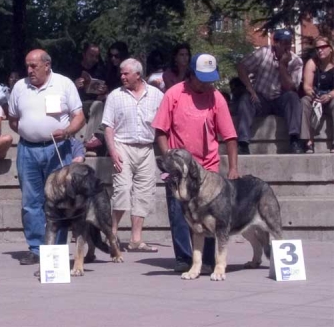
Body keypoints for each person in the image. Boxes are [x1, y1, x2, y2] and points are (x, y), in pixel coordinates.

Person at [152, 53, 239, 272]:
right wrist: (169, 158)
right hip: (180, 166)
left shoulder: (216, 97)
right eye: (202, 78)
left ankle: (208, 261)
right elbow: (161, 131)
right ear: (191, 74)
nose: (206, 83)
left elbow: (229, 136)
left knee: (210, 214)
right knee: (178, 212)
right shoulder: (173, 94)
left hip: (208, 167)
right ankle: (183, 258)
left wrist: (234, 168)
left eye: (210, 79)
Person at [8, 49, 85, 265]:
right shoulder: (19, 87)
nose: (29, 70)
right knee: (30, 201)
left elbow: (79, 116)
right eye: (27, 66)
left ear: (47, 65)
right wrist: (30, 131)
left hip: (58, 148)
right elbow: (13, 119)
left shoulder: (64, 84)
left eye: (34, 66)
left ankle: (57, 249)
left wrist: (68, 131)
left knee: (59, 200)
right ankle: (36, 248)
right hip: (28, 150)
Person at [102, 58, 162, 252]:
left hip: (146, 148)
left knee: (144, 193)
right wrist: (113, 151)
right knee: (122, 190)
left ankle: (136, 239)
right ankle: (111, 233)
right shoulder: (114, 96)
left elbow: (163, 123)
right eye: (121, 73)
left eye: (126, 73)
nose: (122, 77)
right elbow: (108, 126)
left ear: (138, 74)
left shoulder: (156, 95)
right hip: (122, 146)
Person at [236, 29, 304, 154]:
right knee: (246, 100)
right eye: (283, 43)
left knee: (293, 97)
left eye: (289, 43)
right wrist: (250, 88)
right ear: (275, 43)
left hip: (281, 100)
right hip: (261, 98)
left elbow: (290, 87)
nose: (286, 46)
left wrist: (283, 65)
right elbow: (241, 67)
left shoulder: (296, 61)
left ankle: (294, 139)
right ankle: (243, 143)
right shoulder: (264, 53)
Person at [70, 43, 108, 157]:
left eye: (96, 56)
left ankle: (90, 144)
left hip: (91, 103)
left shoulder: (100, 70)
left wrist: (104, 90)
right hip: (75, 103)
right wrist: (74, 85)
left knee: (98, 105)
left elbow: (105, 91)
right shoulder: (73, 68)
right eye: (91, 55)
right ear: (84, 54)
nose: (94, 59)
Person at [300, 36, 334, 153]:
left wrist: (329, 95)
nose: (320, 50)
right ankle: (308, 141)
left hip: (331, 97)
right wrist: (314, 95)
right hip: (316, 96)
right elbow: (307, 87)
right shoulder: (312, 63)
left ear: (331, 48)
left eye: (323, 47)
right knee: (304, 100)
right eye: (317, 48)